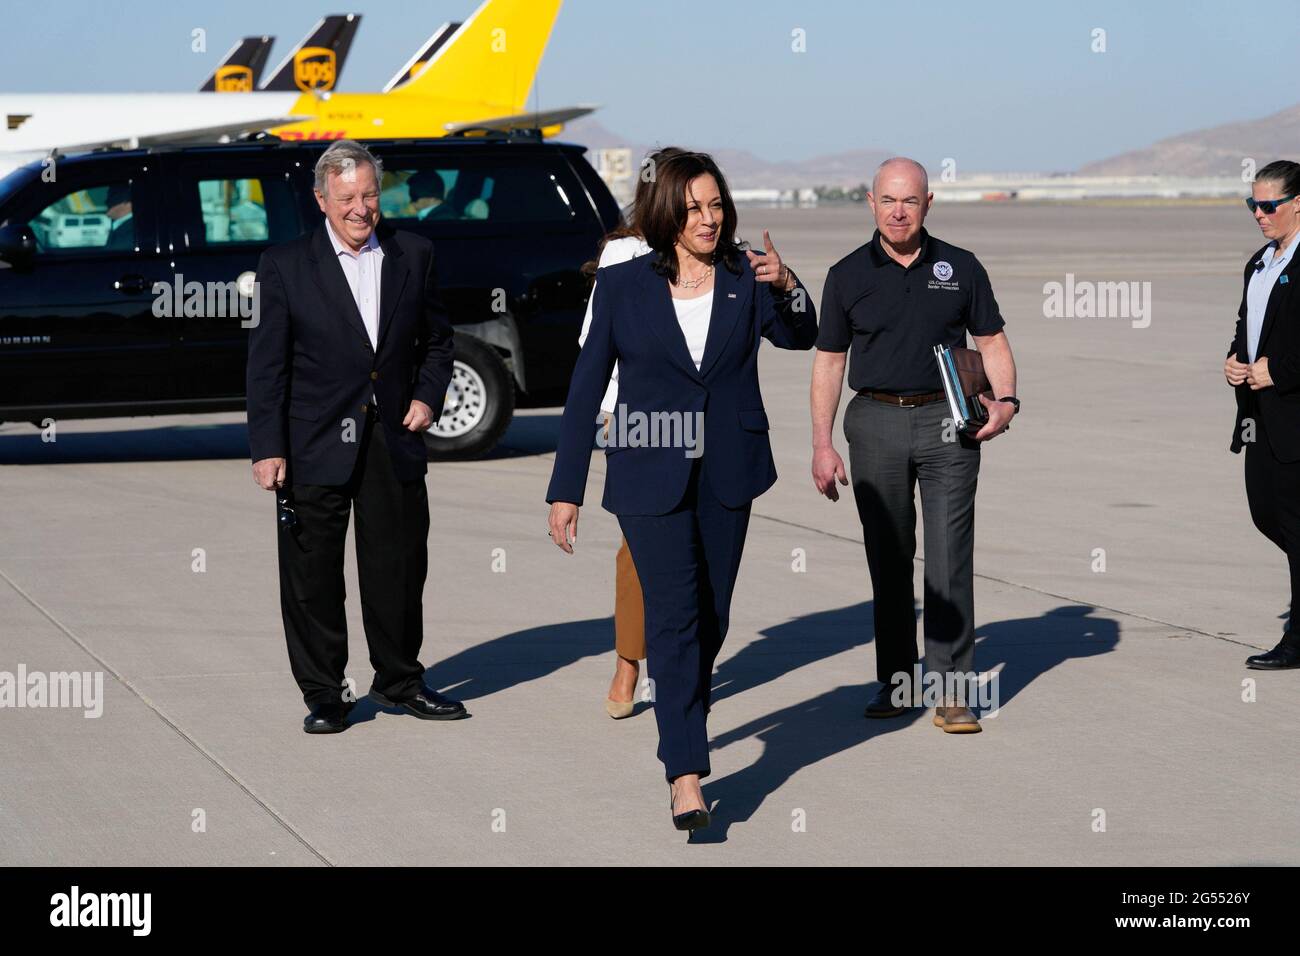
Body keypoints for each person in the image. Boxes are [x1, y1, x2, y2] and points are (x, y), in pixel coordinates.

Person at [546, 151, 818, 831]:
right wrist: (566, 487)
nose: (709, 218)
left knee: (714, 615)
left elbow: (801, 333)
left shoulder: (746, 277)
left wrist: (787, 284)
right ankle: (686, 773)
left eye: (716, 205)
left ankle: (682, 719)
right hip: (646, 470)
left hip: (728, 469)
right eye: (694, 207)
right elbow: (584, 392)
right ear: (668, 212)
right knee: (673, 617)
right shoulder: (624, 286)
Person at [246, 139, 467, 733]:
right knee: (313, 576)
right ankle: (326, 694)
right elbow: (267, 366)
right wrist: (268, 446)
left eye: (369, 195)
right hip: (311, 443)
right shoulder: (285, 265)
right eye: (347, 197)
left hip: (391, 438)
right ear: (322, 200)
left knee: (397, 568)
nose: (361, 208)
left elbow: (439, 341)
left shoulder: (413, 254)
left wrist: (426, 395)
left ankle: (400, 680)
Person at [810, 157, 1019, 734]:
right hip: (874, 421)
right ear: (871, 203)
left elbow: (992, 339)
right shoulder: (847, 274)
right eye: (887, 200)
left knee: (950, 558)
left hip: (949, 423)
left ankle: (952, 690)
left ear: (928, 204)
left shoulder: (961, 266)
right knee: (889, 557)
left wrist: (1006, 403)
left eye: (909, 201)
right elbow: (829, 362)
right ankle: (898, 682)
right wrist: (821, 445)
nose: (898, 211)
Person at [578, 146, 686, 719]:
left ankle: (676, 665)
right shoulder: (623, 250)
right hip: (635, 420)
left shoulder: (710, 249)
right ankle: (629, 664)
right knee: (638, 548)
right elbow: (593, 346)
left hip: (700, 420)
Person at [1226, 159, 1300, 671]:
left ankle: (1297, 641)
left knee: (1296, 528)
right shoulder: (1259, 263)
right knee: (1266, 515)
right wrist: (1234, 358)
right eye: (1254, 204)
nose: (1260, 214)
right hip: (1260, 418)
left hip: (1295, 414)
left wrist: (1282, 371)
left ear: (1298, 203)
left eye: (1269, 205)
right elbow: (1246, 324)